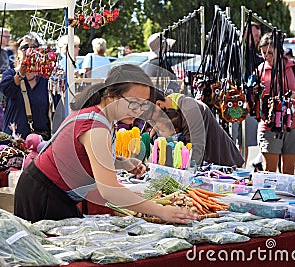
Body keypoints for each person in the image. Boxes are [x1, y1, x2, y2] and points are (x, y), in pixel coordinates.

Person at [14, 64, 198, 224]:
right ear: (111, 95)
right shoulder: (96, 125)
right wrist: (162, 211)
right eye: (133, 103)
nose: (139, 111)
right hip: (43, 194)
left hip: (50, 192)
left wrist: (121, 163)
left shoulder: (105, 119)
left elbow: (84, 155)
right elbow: (109, 191)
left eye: (143, 105)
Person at [258, 32, 295, 174]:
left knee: (288, 173)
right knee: (269, 172)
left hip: (292, 125)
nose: (266, 57)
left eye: (270, 53)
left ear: (279, 50)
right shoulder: (261, 70)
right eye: (263, 53)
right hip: (269, 126)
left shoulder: (294, 67)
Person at [153, 91, 244, 168]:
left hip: (226, 168)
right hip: (211, 168)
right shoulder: (172, 110)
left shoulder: (189, 108)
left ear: (158, 105)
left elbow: (195, 153)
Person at [0, 34, 55, 140]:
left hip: (40, 141)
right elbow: (6, 90)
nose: (30, 51)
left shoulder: (46, 78)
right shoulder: (9, 74)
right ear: (18, 52)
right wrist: (20, 74)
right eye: (25, 47)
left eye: (33, 47)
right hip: (14, 140)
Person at [232, 22, 263, 168]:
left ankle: (241, 168)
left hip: (248, 103)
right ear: (246, 34)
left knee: (245, 140)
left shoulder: (256, 58)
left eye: (258, 36)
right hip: (231, 101)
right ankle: (232, 167)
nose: (257, 39)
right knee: (232, 138)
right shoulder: (232, 51)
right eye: (255, 36)